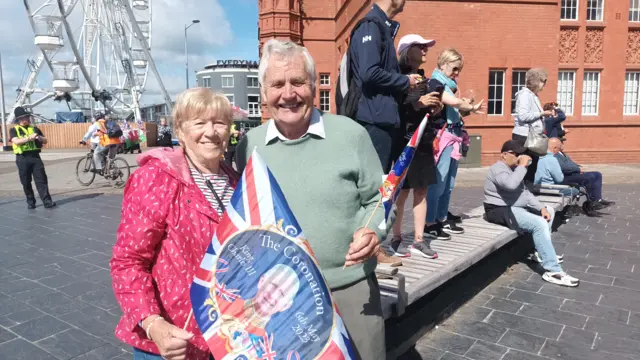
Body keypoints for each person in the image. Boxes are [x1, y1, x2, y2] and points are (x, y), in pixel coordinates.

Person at [236, 39, 386, 360]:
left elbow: (378, 198)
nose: (288, 94)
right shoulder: (249, 146)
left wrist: (373, 231)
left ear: (315, 86)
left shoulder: (351, 135)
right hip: (282, 301)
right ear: (264, 93)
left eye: (297, 82)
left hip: (350, 288)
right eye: (277, 84)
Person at [110, 88, 239, 360]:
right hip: (172, 342)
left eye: (219, 122)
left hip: (227, 339)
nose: (211, 131)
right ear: (180, 130)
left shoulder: (236, 181)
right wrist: (152, 323)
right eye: (200, 122)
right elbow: (128, 261)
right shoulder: (157, 178)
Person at [484, 140, 579, 287]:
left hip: (514, 207)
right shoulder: (498, 168)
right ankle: (552, 271)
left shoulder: (513, 169)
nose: (519, 157)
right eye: (515, 154)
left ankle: (541, 253)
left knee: (549, 211)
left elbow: (525, 193)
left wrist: (541, 208)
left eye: (521, 154)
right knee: (539, 224)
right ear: (504, 155)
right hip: (499, 209)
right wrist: (522, 166)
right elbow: (510, 185)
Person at [347, 0, 423, 174]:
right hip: (374, 121)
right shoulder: (371, 26)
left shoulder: (380, 26)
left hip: (380, 119)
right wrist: (405, 81)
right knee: (375, 187)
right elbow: (369, 72)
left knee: (380, 185)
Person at [389, 34, 442, 259]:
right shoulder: (395, 77)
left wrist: (435, 109)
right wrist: (418, 103)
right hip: (404, 141)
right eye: (420, 47)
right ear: (406, 49)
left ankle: (419, 240)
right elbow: (393, 109)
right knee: (402, 190)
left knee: (422, 189)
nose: (425, 51)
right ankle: (396, 237)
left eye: (425, 47)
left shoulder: (423, 79)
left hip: (423, 140)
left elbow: (427, 111)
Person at [424, 48, 484, 240]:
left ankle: (441, 217)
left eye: (459, 70)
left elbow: (457, 108)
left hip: (455, 135)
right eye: (455, 68)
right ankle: (429, 222)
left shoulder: (449, 84)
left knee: (448, 183)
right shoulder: (435, 82)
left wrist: (467, 108)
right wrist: (467, 105)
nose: (457, 73)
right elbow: (451, 102)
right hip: (443, 137)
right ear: (444, 63)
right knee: (438, 182)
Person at [217, 264, 300, 358]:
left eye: (281, 294)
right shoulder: (217, 305)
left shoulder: (263, 351)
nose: (273, 295)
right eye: (273, 285)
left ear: (285, 306)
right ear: (261, 281)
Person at [10, 106, 56, 209]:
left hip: (35, 157)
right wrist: (28, 138)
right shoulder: (14, 130)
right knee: (26, 181)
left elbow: (45, 140)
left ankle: (47, 201)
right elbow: (16, 141)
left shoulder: (34, 128)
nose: (28, 118)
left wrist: (38, 137)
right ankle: (31, 201)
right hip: (22, 158)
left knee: (41, 180)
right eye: (26, 117)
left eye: (28, 116)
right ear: (20, 119)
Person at [512, 68, 552, 183]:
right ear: (537, 81)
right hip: (524, 137)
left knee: (531, 169)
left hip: (531, 137)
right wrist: (541, 113)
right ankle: (522, 194)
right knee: (525, 168)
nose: (544, 85)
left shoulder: (533, 95)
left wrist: (543, 115)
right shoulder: (525, 95)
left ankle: (528, 193)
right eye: (543, 81)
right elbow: (523, 116)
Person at [555, 140, 614, 210]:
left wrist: (578, 167)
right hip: (566, 176)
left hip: (573, 173)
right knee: (589, 177)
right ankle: (592, 202)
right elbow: (564, 167)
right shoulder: (555, 155)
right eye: (562, 144)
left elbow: (572, 163)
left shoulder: (562, 153)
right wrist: (577, 169)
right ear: (557, 146)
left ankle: (598, 199)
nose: (563, 145)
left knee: (597, 174)